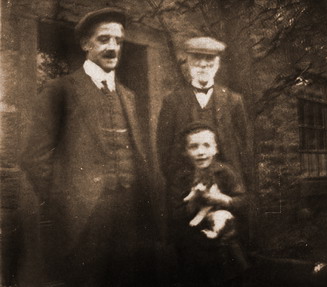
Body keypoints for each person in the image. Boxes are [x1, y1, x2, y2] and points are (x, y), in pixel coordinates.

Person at [21, 8, 156, 287]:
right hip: (83, 221)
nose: (113, 47)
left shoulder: (128, 96)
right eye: (104, 39)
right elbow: (34, 158)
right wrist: (65, 200)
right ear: (86, 44)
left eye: (118, 41)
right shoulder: (61, 90)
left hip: (129, 216)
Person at [157, 36, 252, 190]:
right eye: (196, 58)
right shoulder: (172, 102)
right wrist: (179, 182)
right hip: (185, 187)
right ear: (187, 62)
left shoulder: (233, 101)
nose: (202, 64)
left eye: (209, 59)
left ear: (218, 63)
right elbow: (164, 152)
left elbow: (244, 148)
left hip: (228, 186)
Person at [168, 121, 249, 287]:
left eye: (206, 145)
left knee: (229, 279)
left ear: (215, 148)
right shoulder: (180, 177)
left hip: (224, 245)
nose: (201, 152)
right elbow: (175, 214)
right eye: (194, 146)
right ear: (185, 152)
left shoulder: (225, 172)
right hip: (194, 247)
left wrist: (223, 200)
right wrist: (194, 202)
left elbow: (242, 201)